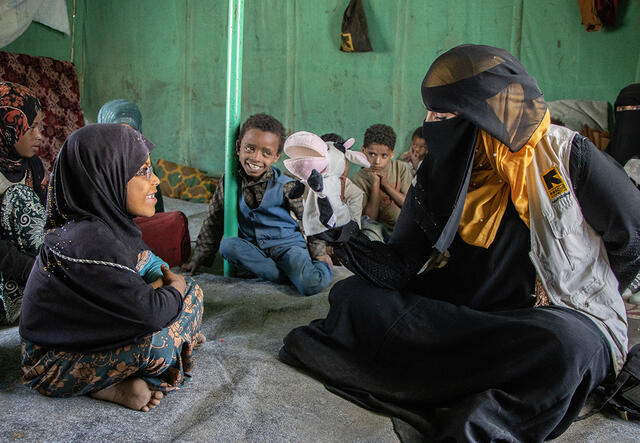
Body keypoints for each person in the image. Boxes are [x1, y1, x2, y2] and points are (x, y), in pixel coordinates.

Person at [279, 44, 640, 441]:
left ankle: (452, 371)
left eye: (443, 115)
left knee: (565, 349)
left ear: (483, 116)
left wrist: (594, 292)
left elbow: (633, 237)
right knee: (354, 297)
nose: (431, 124)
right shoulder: (439, 173)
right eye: (430, 113)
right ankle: (476, 371)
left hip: (551, 317)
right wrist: (340, 230)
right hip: (468, 309)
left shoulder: (567, 154)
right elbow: (399, 263)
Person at [19, 124, 204, 412]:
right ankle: (110, 385)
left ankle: (115, 381)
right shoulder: (90, 242)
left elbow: (146, 269)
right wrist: (175, 291)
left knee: (181, 294)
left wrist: (161, 289)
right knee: (169, 327)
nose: (155, 180)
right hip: (51, 365)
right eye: (142, 171)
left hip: (88, 340)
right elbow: (150, 313)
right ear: (105, 177)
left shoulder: (108, 226)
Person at [181, 113, 333, 296]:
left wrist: (319, 255)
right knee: (228, 246)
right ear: (238, 147)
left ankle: (312, 271)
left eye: (266, 153)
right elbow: (215, 218)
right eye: (250, 148)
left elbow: (310, 218)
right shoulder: (229, 181)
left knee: (310, 284)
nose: (256, 158)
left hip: (287, 246)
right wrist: (199, 257)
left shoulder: (288, 185)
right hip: (252, 247)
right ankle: (286, 276)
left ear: (276, 156)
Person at [0, 82, 47, 325]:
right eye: (31, 127)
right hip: (9, 275)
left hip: (37, 268)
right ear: (9, 125)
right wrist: (33, 270)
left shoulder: (34, 167)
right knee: (19, 197)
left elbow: (47, 219)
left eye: (40, 126)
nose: (39, 135)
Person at [97, 98, 164, 212]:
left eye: (131, 132)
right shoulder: (91, 166)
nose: (124, 139)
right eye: (116, 131)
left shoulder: (145, 167)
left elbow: (156, 215)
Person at [350, 123, 412, 242]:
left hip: (401, 229)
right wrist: (375, 185)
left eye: (384, 156)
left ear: (392, 154)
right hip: (377, 233)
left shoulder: (400, 168)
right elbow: (369, 219)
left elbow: (409, 205)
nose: (377, 161)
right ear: (363, 150)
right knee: (369, 230)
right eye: (372, 154)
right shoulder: (357, 180)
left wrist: (386, 186)